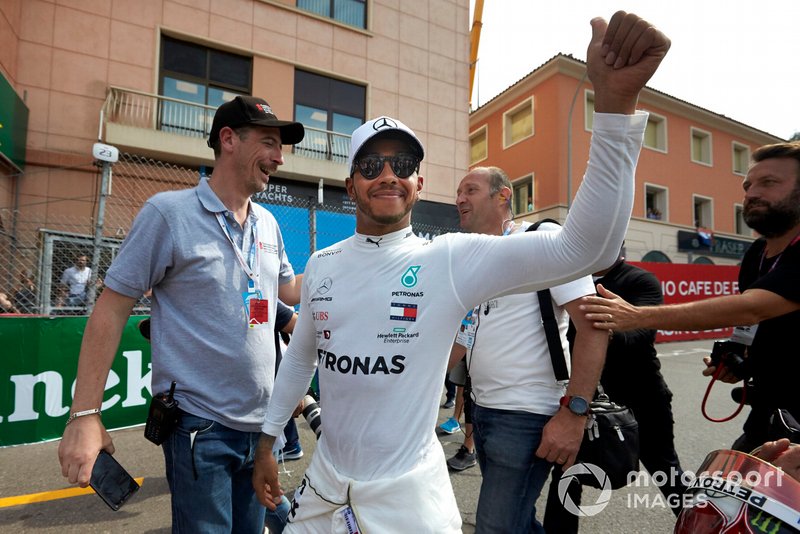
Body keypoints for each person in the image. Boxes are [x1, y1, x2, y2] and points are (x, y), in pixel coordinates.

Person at [252, 11, 670, 532]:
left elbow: (586, 248)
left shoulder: (448, 257)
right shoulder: (321, 263)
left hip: (409, 496)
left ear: (419, 184)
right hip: (326, 485)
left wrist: (614, 109)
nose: (388, 175)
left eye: (402, 165)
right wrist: (267, 442)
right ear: (350, 183)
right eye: (371, 165)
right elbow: (298, 361)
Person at [57, 95, 304, 533]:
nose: (279, 157)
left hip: (261, 429)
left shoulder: (268, 223)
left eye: (280, 147)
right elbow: (111, 310)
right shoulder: (168, 214)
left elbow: (288, 289)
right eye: (268, 143)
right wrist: (85, 415)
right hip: (199, 429)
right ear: (228, 139)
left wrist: (347, 266)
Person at [581, 141, 800, 454]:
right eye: (748, 185)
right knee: (713, 498)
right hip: (768, 413)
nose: (751, 193)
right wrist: (739, 363)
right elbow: (760, 326)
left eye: (769, 183)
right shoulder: (756, 254)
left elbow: (752, 308)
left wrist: (636, 316)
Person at [451, 166, 608, 533]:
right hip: (484, 411)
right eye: (458, 192)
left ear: (502, 196)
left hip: (525, 415)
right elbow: (465, 334)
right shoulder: (474, 257)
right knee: (516, 521)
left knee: (495, 526)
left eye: (469, 190)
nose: (459, 199)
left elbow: (593, 327)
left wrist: (574, 413)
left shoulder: (544, 238)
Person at [544, 251, 687, 531]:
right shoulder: (571, 282)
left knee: (666, 472)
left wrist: (597, 333)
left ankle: (699, 526)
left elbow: (641, 333)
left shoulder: (640, 280)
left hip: (643, 399)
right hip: (585, 399)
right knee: (566, 472)